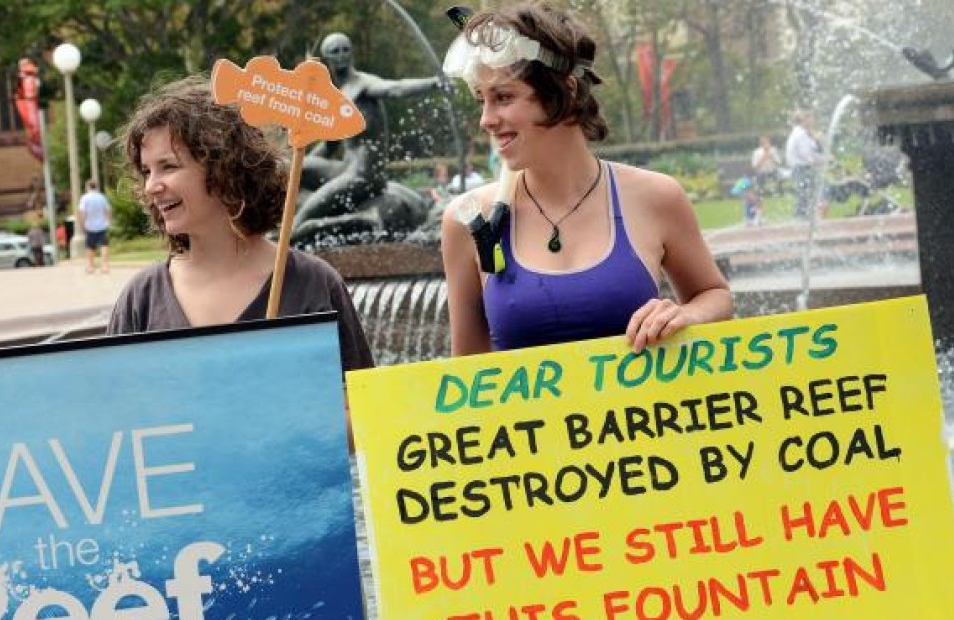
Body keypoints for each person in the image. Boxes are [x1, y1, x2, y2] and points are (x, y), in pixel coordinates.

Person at [440, 2, 732, 356]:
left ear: (564, 91)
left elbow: (715, 295)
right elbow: (465, 373)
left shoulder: (655, 196)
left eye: (503, 97)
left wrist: (686, 314)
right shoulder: (469, 220)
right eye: (481, 100)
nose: (486, 119)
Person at [106, 75, 373, 376]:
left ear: (224, 168)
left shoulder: (314, 283)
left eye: (168, 166)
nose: (152, 186)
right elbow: (116, 411)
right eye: (146, 171)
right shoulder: (141, 298)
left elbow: (363, 409)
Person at [294, 32, 442, 227]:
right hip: (344, 169)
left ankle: (300, 229)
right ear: (326, 58)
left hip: (364, 175)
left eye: (345, 50)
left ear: (352, 53)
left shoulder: (363, 84)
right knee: (296, 167)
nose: (341, 55)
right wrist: (298, 163)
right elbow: (329, 147)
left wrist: (433, 83)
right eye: (335, 51)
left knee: (302, 217)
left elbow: (394, 88)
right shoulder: (336, 95)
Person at [785, 110, 826, 219]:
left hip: (799, 167)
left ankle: (804, 217)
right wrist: (824, 160)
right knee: (807, 195)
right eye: (810, 119)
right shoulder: (801, 134)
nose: (813, 122)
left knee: (806, 195)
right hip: (802, 168)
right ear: (805, 120)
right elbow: (807, 156)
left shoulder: (799, 133)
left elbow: (813, 151)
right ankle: (802, 219)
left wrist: (818, 140)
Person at [78, 179, 112, 273]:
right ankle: (105, 265)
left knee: (90, 246)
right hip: (102, 225)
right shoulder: (101, 197)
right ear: (96, 186)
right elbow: (108, 210)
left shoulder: (85, 198)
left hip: (90, 226)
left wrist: (82, 224)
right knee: (104, 245)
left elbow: (82, 212)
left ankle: (90, 266)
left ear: (88, 187)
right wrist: (108, 221)